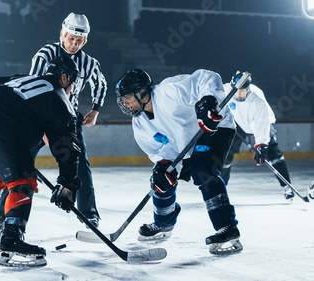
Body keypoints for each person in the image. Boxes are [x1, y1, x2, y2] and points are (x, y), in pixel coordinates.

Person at [0, 56, 82, 267]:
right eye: (72, 83)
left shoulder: (22, 79)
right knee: (23, 181)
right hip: (0, 126)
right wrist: (68, 183)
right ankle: (12, 239)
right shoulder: (59, 98)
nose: (71, 88)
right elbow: (67, 148)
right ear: (65, 77)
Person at [115, 69, 243, 255]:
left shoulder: (169, 92)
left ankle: (227, 227)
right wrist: (166, 167)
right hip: (184, 144)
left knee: (203, 170)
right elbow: (160, 151)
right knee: (160, 179)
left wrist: (208, 101)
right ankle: (164, 223)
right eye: (123, 100)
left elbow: (207, 77)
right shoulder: (140, 124)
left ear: (142, 92)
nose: (126, 103)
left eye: (128, 97)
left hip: (214, 127)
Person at [29, 12, 107, 227]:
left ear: (85, 40)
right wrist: (40, 125)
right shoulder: (44, 54)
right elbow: (33, 87)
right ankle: (0, 217)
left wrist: (95, 110)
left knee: (81, 163)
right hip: (39, 118)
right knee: (20, 161)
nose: (74, 44)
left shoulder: (90, 63)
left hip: (68, 120)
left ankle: (89, 213)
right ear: (62, 34)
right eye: (71, 38)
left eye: (79, 40)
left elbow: (100, 84)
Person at [221, 72, 294, 200]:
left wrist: (261, 146)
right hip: (238, 123)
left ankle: (286, 187)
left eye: (241, 91)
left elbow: (261, 125)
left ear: (248, 89)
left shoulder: (257, 100)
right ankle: (221, 189)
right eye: (236, 90)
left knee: (274, 155)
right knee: (225, 154)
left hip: (262, 122)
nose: (237, 94)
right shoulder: (226, 90)